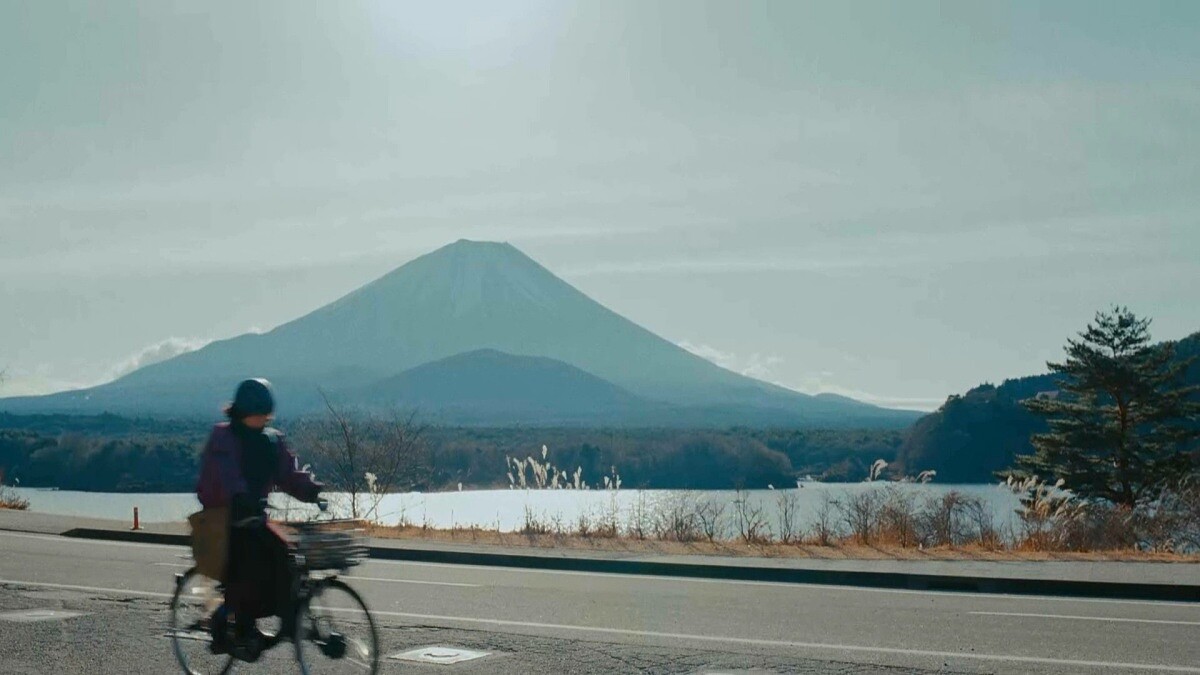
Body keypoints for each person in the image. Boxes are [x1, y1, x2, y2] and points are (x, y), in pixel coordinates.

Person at [196, 378, 325, 660]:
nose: (261, 419)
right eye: (256, 414)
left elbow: (287, 474)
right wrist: (240, 497)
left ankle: (284, 616)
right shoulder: (224, 438)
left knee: (286, 553)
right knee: (253, 562)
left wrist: (311, 490)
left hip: (254, 517)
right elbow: (227, 475)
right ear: (242, 413)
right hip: (225, 519)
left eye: (265, 415)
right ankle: (238, 627)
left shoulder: (271, 440)